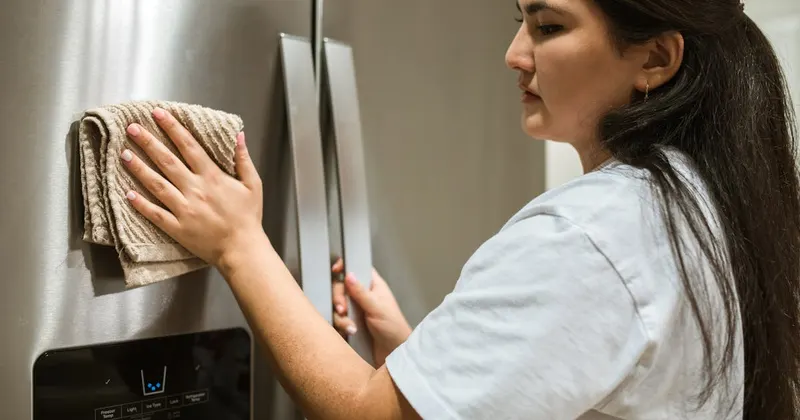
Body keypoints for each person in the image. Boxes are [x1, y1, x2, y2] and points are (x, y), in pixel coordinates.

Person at [117, 0, 800, 418]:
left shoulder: (593, 235)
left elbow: (368, 419)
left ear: (655, 58)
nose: (513, 54)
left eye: (549, 24)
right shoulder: (696, 206)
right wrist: (420, 357)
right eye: (520, 20)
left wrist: (240, 243)